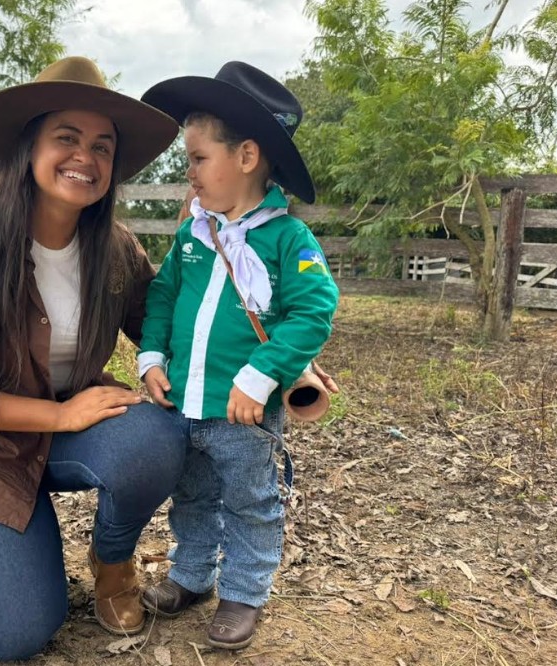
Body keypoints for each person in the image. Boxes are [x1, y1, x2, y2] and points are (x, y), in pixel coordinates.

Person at [0, 56, 183, 661]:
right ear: (30, 145)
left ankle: (111, 562)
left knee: (153, 439)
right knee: (16, 635)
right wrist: (60, 417)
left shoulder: (115, 250)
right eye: (67, 138)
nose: (86, 156)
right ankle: (12, 539)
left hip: (75, 431)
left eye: (102, 146)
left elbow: (171, 331)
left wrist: (277, 357)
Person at [136, 62, 340, 649]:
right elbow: (165, 293)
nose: (189, 171)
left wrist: (259, 376)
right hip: (186, 401)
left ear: (246, 156)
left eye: (198, 158)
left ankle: (245, 592)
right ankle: (192, 576)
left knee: (251, 501)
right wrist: (152, 356)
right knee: (192, 494)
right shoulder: (192, 235)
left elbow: (311, 312)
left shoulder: (288, 241)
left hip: (243, 413)